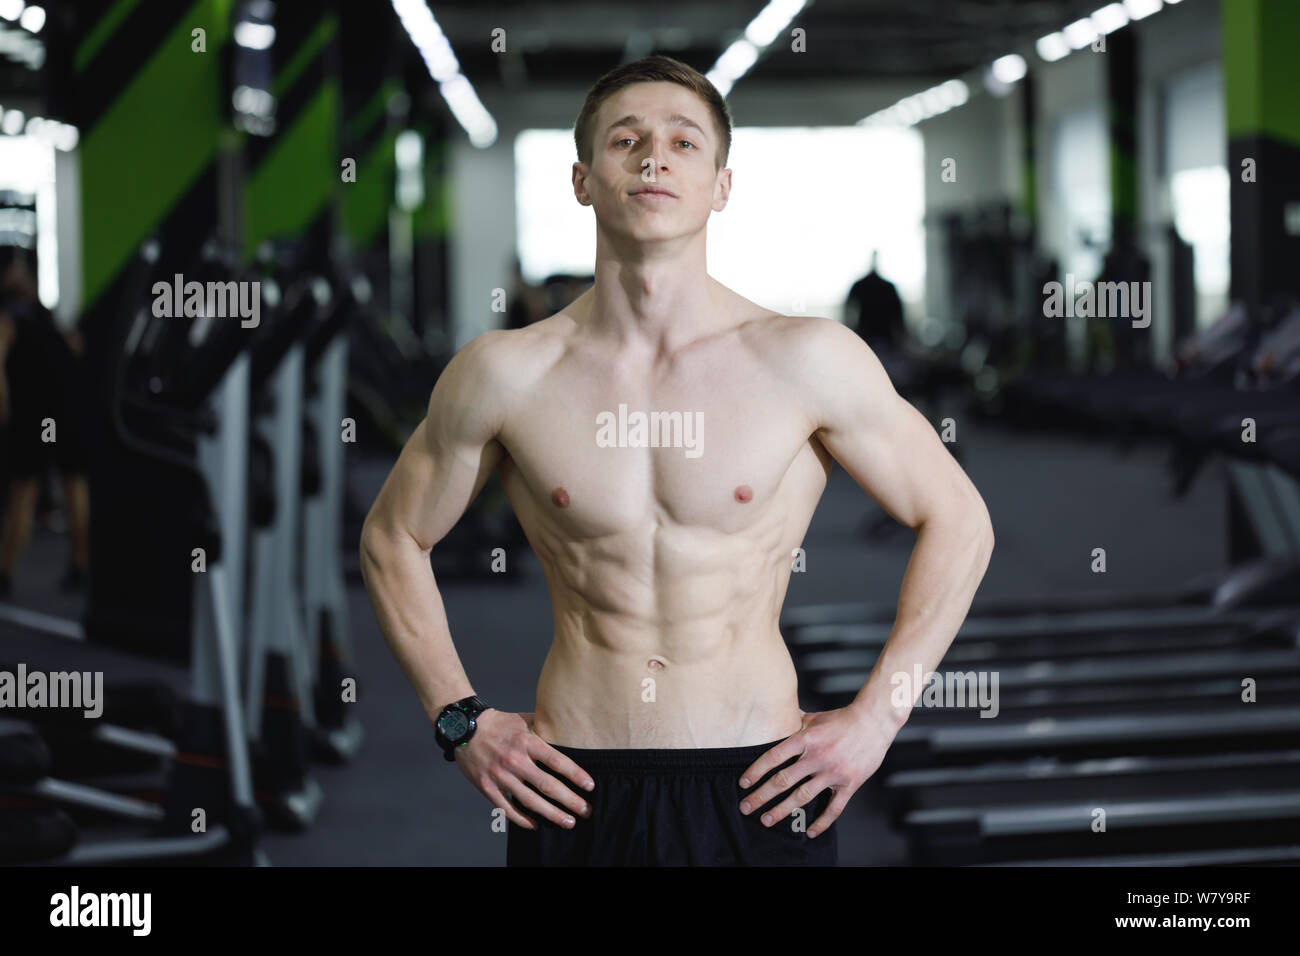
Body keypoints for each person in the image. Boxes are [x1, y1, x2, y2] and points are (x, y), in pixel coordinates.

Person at [360, 55, 994, 866]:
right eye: (627, 140)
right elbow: (391, 539)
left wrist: (878, 718)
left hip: (758, 781)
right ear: (583, 180)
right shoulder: (504, 373)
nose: (655, 157)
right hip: (573, 784)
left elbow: (962, 520)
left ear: (721, 186)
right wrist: (458, 719)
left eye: (684, 143)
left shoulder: (807, 360)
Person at [0, 249, 90, 596]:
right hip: (58, 413)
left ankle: (7, 572)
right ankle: (77, 566)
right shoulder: (37, 316)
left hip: (41, 416)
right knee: (51, 487)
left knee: (33, 489)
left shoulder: (25, 315)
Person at [845, 250, 907, 353]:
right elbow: (899, 316)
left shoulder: (861, 285)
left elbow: (848, 310)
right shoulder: (888, 287)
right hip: (873, 335)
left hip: (872, 335)